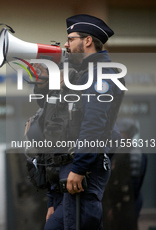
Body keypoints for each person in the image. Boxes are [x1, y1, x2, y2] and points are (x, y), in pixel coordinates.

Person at [32, 14, 125, 230]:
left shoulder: (100, 73)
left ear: (88, 41)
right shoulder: (80, 75)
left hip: (83, 169)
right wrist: (44, 84)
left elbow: (93, 124)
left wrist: (80, 168)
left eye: (71, 38)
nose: (66, 44)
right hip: (68, 171)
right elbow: (54, 118)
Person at [103, 118, 147, 230]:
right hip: (117, 203)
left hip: (127, 203)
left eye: (122, 132)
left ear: (129, 134)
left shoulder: (134, 153)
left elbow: (133, 184)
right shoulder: (118, 151)